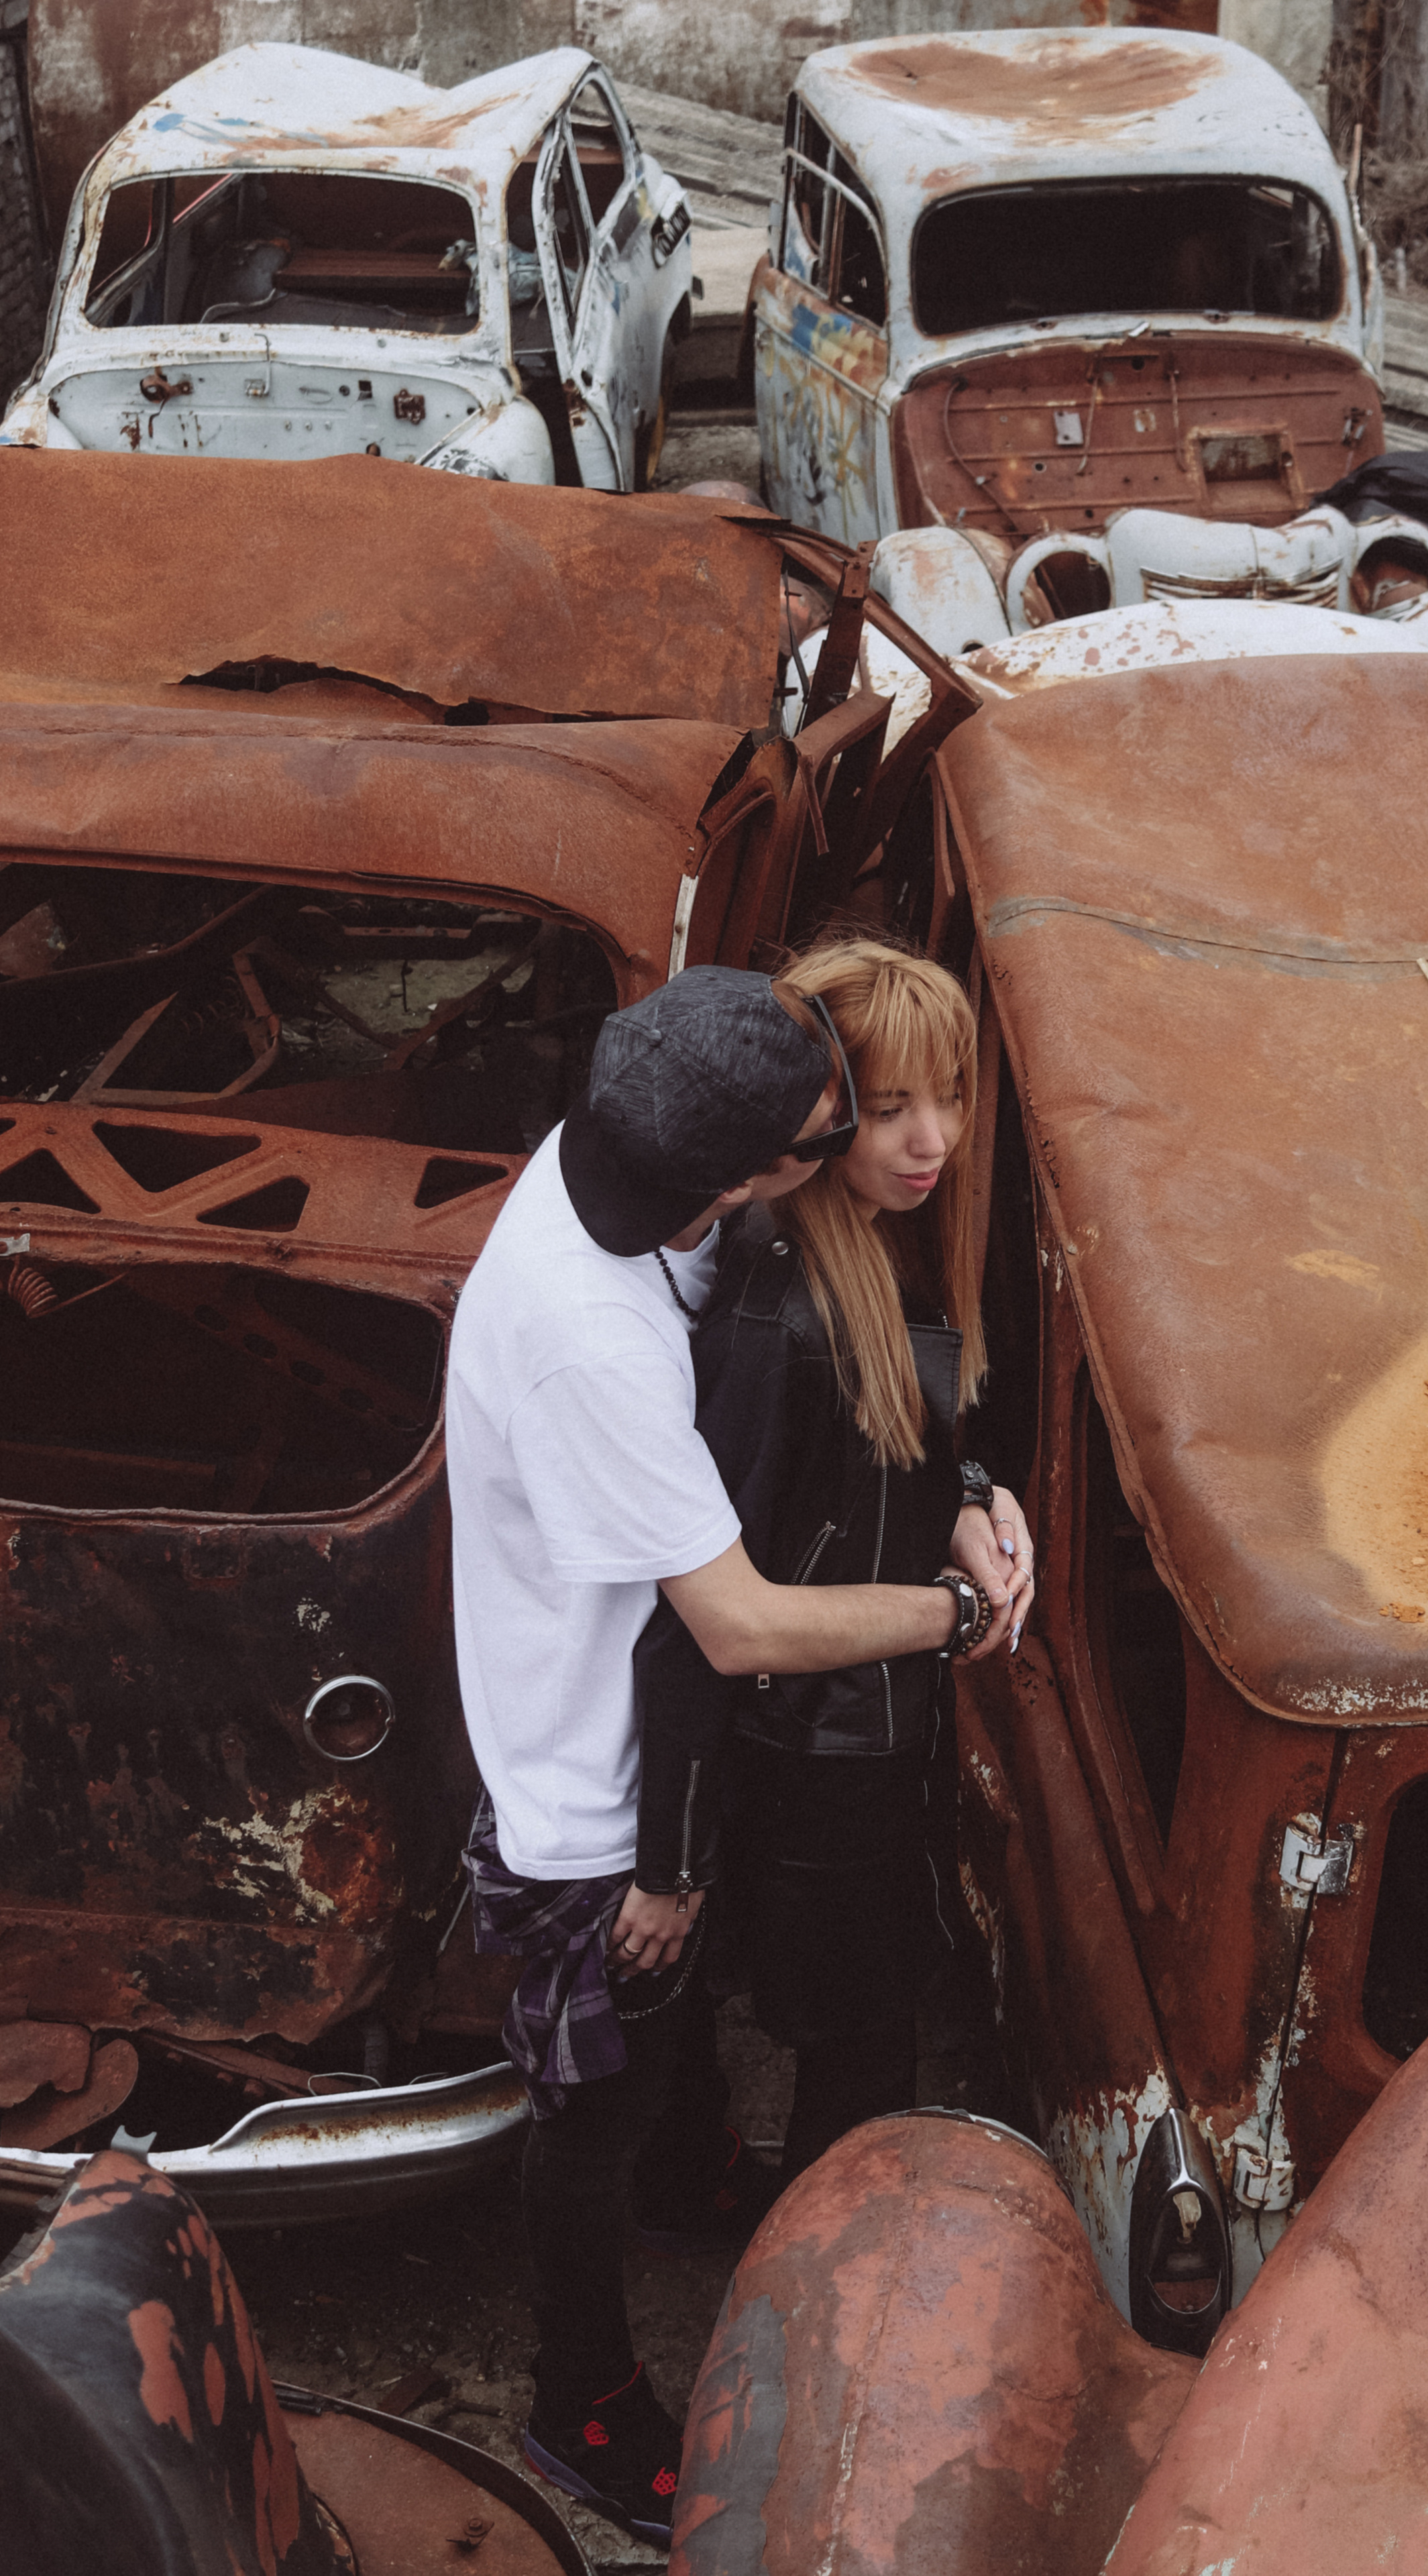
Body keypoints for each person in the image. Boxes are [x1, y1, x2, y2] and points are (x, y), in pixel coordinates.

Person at [444, 963, 1024, 2548]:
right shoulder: (593, 1340)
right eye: (838, 1123)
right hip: (586, 1784)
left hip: (628, 1730)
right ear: (740, 1177)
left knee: (660, 2069)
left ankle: (698, 2182)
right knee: (589, 2115)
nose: (885, 1142)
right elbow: (738, 1629)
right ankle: (576, 2402)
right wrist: (947, 1614)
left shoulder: (634, 1185)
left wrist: (965, 1489)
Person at [634, 939, 1037, 2193]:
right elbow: (701, 1594)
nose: (935, 1141)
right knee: (861, 2064)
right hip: (815, 1752)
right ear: (821, 1116)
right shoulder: (781, 1306)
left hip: (858, 1733)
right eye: (895, 1105)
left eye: (952, 1098)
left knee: (856, 2042)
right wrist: (674, 1857)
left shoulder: (871, 1244)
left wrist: (964, 1494)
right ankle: (816, 2288)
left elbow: (886, 1457)